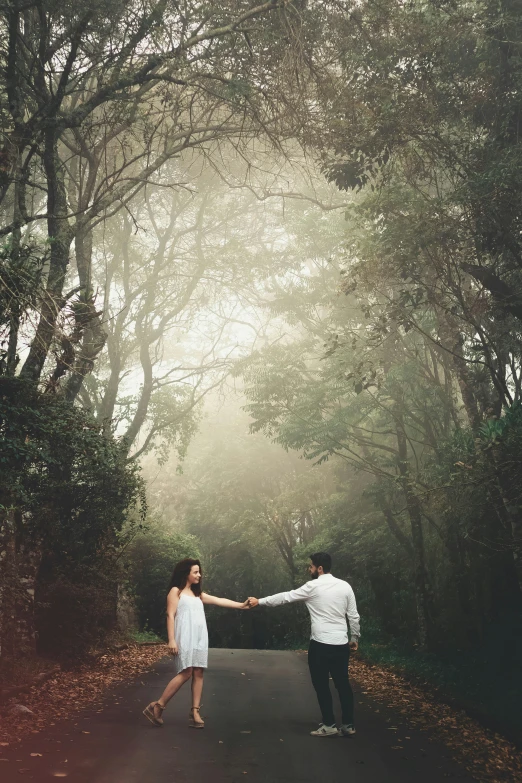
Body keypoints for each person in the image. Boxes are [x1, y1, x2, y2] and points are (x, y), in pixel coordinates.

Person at [248, 552, 360, 738]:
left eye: (311, 566)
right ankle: (348, 725)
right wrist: (354, 637)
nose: (310, 569)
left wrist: (259, 601)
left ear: (320, 568)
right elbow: (353, 615)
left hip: (320, 644)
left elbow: (285, 597)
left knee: (321, 684)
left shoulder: (312, 586)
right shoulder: (345, 586)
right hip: (341, 644)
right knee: (343, 684)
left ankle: (329, 724)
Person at [143, 558, 249, 728]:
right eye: (195, 572)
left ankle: (195, 712)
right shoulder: (175, 592)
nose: (199, 575)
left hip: (200, 637)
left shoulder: (198, 594)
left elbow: (219, 600)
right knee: (187, 672)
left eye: (199, 572)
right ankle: (158, 705)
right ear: (186, 573)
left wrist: (242, 606)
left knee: (199, 672)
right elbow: (170, 615)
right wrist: (171, 639)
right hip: (184, 636)